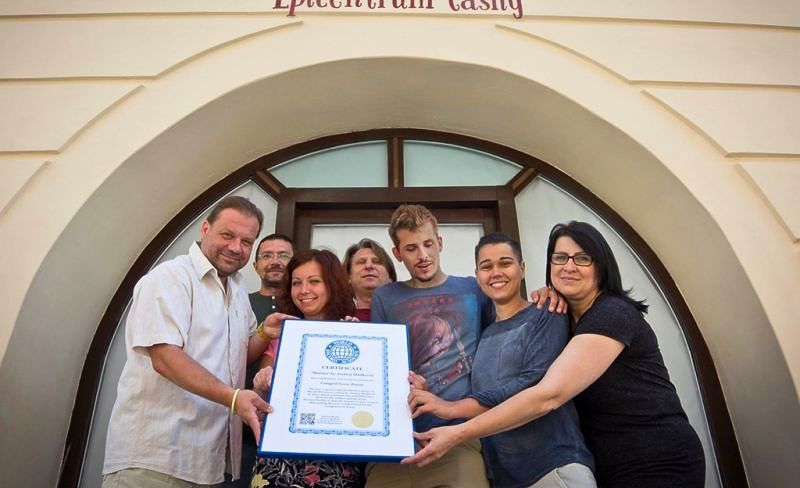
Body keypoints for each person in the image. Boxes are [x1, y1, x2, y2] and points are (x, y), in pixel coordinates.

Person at [403, 221, 706, 488]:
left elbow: (547, 394)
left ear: (601, 266)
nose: (568, 267)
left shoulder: (611, 314)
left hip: (655, 456)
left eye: (582, 258)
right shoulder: (559, 315)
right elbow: (489, 384)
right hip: (608, 465)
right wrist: (434, 390)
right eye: (560, 258)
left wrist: (456, 430)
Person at [103, 196, 288, 487]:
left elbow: (240, 354)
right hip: (156, 459)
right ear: (205, 229)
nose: (236, 247)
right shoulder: (170, 278)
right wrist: (235, 398)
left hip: (209, 465)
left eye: (247, 241)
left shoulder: (238, 290)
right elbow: (164, 357)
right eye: (228, 235)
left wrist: (265, 332)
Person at [407, 232, 595, 488]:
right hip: (504, 478)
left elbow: (530, 385)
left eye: (505, 263)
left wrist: (448, 407)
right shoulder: (483, 331)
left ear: (523, 268)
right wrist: (431, 392)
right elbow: (482, 393)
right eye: (487, 266)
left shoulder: (547, 313)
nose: (496, 272)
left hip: (553, 468)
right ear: (477, 276)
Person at [367, 204, 494, 488]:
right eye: (411, 248)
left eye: (427, 244)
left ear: (439, 243)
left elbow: (506, 329)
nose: (423, 256)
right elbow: (379, 367)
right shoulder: (385, 297)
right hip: (396, 444)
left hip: (459, 439)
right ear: (397, 254)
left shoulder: (473, 289)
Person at [250, 249, 365, 488]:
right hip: (279, 461)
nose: (304, 291)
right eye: (296, 283)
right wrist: (261, 383)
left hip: (336, 463)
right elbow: (261, 401)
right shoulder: (281, 334)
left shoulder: (357, 333)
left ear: (332, 285)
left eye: (314, 281)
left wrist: (357, 339)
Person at [218, 234, 296, 488]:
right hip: (237, 424)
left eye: (283, 255)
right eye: (267, 255)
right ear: (255, 265)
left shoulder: (305, 303)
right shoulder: (237, 302)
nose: (275, 261)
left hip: (289, 428)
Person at [342, 238, 397, 321]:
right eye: (361, 262)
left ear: (390, 277)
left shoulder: (409, 316)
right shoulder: (337, 321)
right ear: (349, 276)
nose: (368, 266)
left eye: (377, 261)